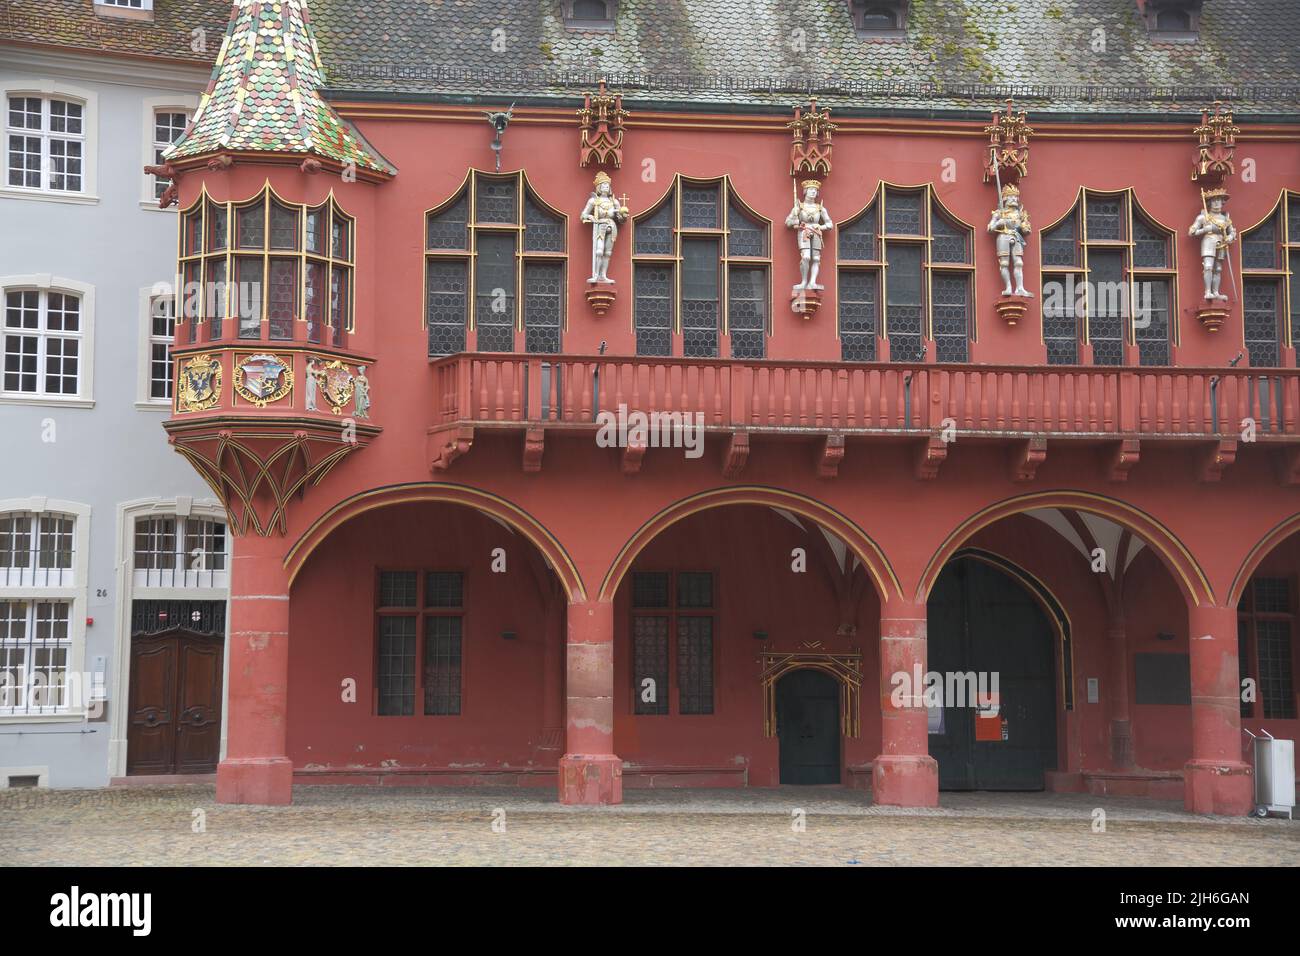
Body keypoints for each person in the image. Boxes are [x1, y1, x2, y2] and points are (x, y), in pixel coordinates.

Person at [580, 171, 628, 284]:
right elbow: (583, 215)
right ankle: (596, 275)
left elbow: (621, 220)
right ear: (599, 187)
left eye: (607, 185)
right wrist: (590, 216)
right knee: (599, 251)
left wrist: (623, 216)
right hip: (600, 226)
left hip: (611, 226)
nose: (606, 187)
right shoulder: (594, 201)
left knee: (607, 253)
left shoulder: (614, 202)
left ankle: (603, 275)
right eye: (603, 185)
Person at [785, 179, 833, 291]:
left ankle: (812, 282)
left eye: (815, 190)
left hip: (816, 233)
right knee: (806, 257)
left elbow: (829, 224)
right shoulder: (799, 207)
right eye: (811, 189)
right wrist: (795, 221)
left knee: (816, 259)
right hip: (804, 232)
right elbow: (788, 222)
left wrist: (820, 227)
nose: (813, 192)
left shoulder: (820, 208)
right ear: (805, 191)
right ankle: (804, 282)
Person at [1188, 188, 1236, 301]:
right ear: (1209, 203)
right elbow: (1191, 232)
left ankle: (1216, 292)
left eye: (1219, 200)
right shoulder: (1203, 217)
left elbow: (1232, 232)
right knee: (1208, 267)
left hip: (1221, 243)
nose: (1217, 203)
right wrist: (1205, 229)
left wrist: (1230, 237)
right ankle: (1208, 292)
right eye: (1214, 201)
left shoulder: (1225, 219)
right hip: (1208, 242)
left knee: (1218, 269)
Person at [988, 183, 1032, 297]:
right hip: (1003, 236)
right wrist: (999, 223)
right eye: (1010, 197)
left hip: (1016, 236)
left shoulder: (1020, 213)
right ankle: (1008, 287)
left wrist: (1025, 227)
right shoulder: (999, 213)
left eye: (1015, 197)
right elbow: (990, 228)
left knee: (1019, 263)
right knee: (1004, 263)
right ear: (1005, 198)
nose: (1013, 199)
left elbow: (1026, 228)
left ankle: (1020, 288)